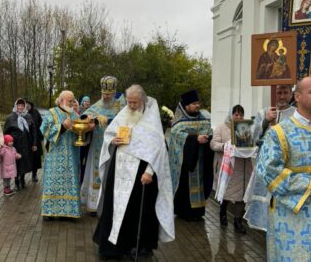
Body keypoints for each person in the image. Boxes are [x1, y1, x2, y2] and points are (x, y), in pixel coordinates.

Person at [93, 85, 175, 259]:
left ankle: (137, 246)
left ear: (142, 101)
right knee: (114, 206)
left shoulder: (152, 120)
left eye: (134, 103)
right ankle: (112, 247)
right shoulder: (124, 113)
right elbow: (109, 134)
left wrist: (150, 172)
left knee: (138, 210)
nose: (130, 106)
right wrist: (113, 141)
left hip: (140, 173)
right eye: (129, 102)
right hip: (120, 170)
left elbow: (158, 149)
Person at [255, 76, 311, 261]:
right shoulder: (279, 132)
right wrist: (310, 183)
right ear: (297, 96)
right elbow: (269, 172)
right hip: (292, 215)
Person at [244, 84, 295, 230]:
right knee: (265, 199)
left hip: (285, 165)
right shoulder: (263, 112)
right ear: (274, 94)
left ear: (291, 94)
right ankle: (266, 228)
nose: (282, 96)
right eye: (279, 92)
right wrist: (265, 121)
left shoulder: (296, 113)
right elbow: (251, 137)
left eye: (285, 92)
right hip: (265, 164)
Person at [81, 76, 126, 213]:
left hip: (116, 147)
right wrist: (88, 121)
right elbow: (83, 119)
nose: (106, 96)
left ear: (114, 93)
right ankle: (94, 205)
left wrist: (108, 120)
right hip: (98, 147)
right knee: (97, 173)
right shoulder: (95, 107)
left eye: (109, 94)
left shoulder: (121, 106)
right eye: (104, 94)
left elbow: (126, 121)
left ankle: (111, 205)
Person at [167, 89, 214, 221]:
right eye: (194, 103)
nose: (197, 106)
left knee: (200, 184)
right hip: (185, 161)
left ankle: (198, 211)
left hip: (200, 160)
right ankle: (183, 211)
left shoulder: (203, 119)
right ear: (186, 106)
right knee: (185, 186)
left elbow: (209, 131)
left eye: (198, 103)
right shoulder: (179, 123)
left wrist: (209, 137)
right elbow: (177, 136)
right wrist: (195, 139)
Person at [40, 90, 86, 219]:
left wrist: (82, 129)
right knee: (53, 183)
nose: (72, 103)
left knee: (71, 182)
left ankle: (69, 212)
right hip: (55, 156)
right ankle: (49, 212)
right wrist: (63, 126)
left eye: (73, 100)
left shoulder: (74, 115)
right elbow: (44, 130)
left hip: (72, 155)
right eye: (69, 101)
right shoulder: (51, 113)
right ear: (61, 101)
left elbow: (80, 131)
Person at [210, 105, 252, 233]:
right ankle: (223, 213)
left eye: (241, 115)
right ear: (231, 115)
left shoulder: (245, 128)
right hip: (229, 168)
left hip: (243, 168)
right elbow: (213, 144)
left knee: (241, 195)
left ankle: (238, 221)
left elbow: (250, 144)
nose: (238, 117)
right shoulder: (221, 128)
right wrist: (225, 146)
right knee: (227, 193)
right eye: (236, 114)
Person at [4, 98, 38, 190]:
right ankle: (16, 182)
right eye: (19, 105)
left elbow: (34, 131)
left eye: (22, 106)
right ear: (15, 106)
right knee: (16, 164)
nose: (20, 107)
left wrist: (34, 143)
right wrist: (6, 144)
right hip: (15, 145)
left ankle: (22, 179)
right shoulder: (10, 118)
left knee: (25, 162)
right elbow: (5, 133)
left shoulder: (28, 117)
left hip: (27, 144)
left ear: (25, 107)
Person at [25, 100, 43, 182]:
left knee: (35, 158)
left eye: (28, 104)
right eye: (25, 105)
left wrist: (39, 133)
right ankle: (22, 177)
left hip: (36, 139)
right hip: (25, 139)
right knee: (25, 158)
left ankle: (34, 175)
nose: (27, 106)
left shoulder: (36, 112)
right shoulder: (22, 113)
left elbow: (41, 123)